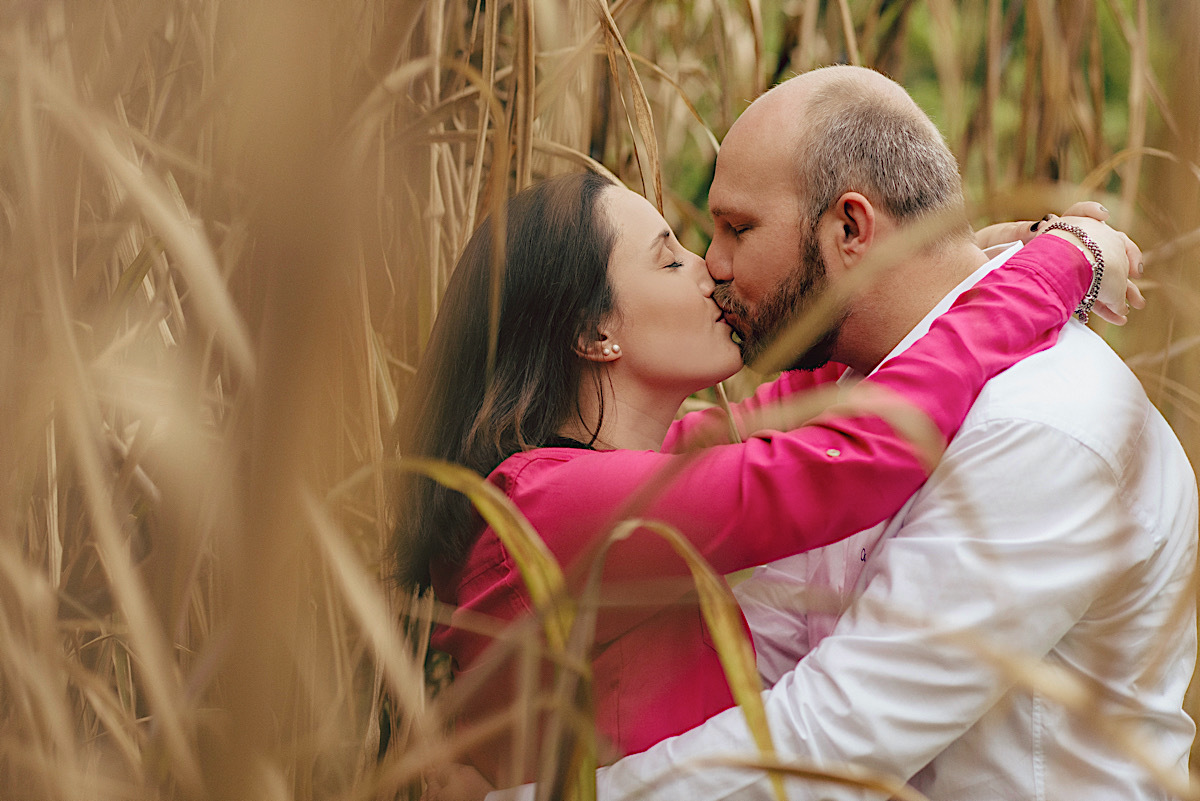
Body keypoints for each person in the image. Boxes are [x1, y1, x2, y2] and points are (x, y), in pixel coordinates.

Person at [484, 66, 1197, 800]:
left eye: (737, 228)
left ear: (851, 228)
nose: (713, 267)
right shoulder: (860, 392)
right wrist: (1047, 261)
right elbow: (777, 640)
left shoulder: (1038, 424)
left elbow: (833, 741)